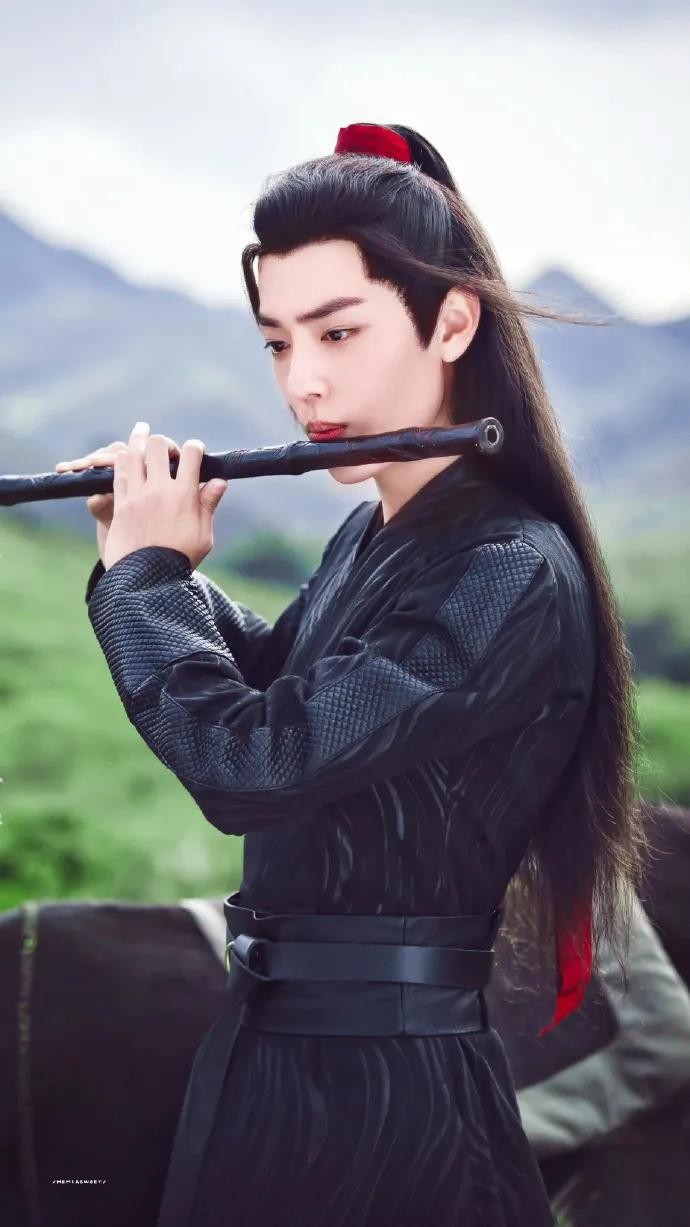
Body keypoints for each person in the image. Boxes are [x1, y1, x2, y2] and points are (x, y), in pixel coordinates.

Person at [56, 122, 648, 1227]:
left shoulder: (506, 568)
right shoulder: (380, 532)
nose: (305, 383)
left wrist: (149, 580)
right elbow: (283, 687)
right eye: (279, 343)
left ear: (452, 322)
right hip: (277, 1072)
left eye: (338, 332)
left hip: (394, 1109)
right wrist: (136, 557)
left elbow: (253, 762)